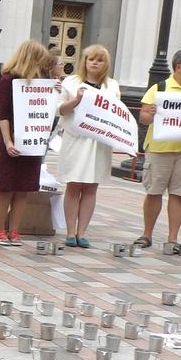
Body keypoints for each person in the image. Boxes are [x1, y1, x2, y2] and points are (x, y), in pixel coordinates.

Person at [135, 49, 181, 250]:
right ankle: (146, 235)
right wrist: (151, 114)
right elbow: (143, 118)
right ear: (179, 66)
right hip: (160, 148)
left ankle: (173, 239)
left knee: (179, 193)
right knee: (154, 191)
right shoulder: (160, 88)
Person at [55, 44, 120, 248]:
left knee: (91, 186)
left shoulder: (112, 86)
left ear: (105, 64)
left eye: (99, 60)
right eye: (91, 59)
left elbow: (116, 113)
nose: (94, 63)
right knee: (74, 184)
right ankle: (70, 232)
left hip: (99, 142)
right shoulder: (71, 82)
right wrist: (77, 100)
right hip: (76, 140)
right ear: (84, 61)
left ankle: (82, 232)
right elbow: (59, 110)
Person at [0, 40, 49, 246]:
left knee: (23, 188)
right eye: (39, 60)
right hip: (12, 137)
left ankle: (14, 230)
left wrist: (55, 90)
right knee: (5, 187)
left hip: (32, 140)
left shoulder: (41, 82)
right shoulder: (8, 80)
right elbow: (3, 114)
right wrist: (8, 141)